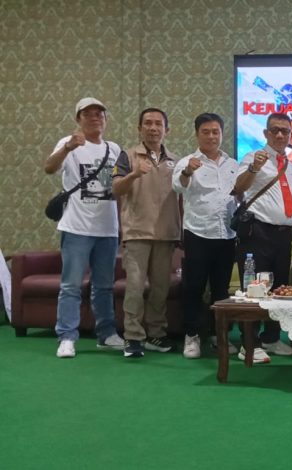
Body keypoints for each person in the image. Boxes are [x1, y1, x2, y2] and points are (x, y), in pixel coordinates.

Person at [43, 97, 125, 358]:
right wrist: (67, 147)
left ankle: (107, 334)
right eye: (87, 114)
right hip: (76, 227)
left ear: (105, 120)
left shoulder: (114, 149)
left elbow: (120, 187)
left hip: (107, 229)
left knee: (104, 286)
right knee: (71, 286)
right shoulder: (69, 144)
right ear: (78, 119)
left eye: (99, 114)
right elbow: (49, 168)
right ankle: (67, 337)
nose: (94, 118)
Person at [233, 113, 292, 363]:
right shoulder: (253, 157)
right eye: (275, 130)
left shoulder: (290, 165)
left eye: (285, 131)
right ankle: (249, 344)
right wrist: (254, 168)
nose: (280, 135)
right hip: (257, 232)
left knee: (279, 289)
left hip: (284, 236)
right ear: (266, 133)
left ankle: (271, 338)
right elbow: (239, 187)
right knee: (255, 289)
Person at [111, 108, 180, 358]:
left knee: (161, 289)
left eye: (158, 124)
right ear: (139, 128)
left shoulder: (176, 161)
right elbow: (116, 189)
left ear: (166, 129)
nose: (153, 128)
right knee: (135, 288)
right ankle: (133, 337)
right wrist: (134, 174)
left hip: (166, 234)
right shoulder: (127, 156)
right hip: (137, 233)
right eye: (148, 123)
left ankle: (156, 334)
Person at [172, 113, 239, 359]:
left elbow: (239, 193)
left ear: (222, 133)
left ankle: (218, 335)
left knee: (221, 289)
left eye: (215, 132)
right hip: (198, 233)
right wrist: (188, 171)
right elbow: (177, 186)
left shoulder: (233, 164)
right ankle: (192, 336)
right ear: (197, 134)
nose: (211, 136)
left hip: (227, 234)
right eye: (206, 132)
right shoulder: (187, 162)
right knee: (194, 287)